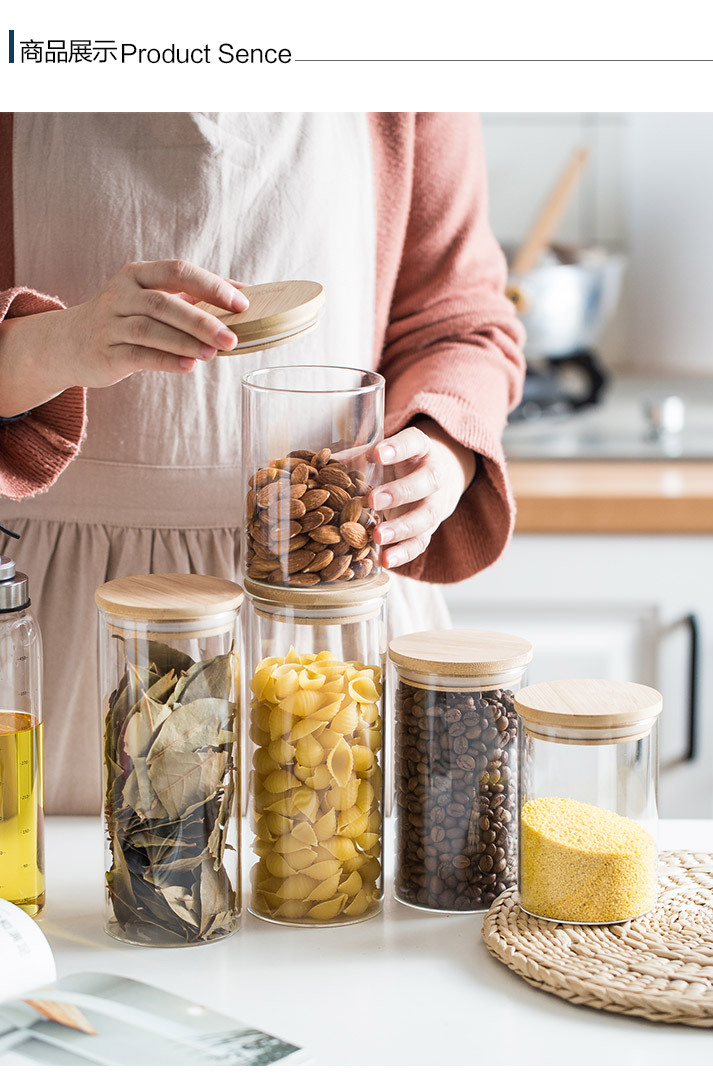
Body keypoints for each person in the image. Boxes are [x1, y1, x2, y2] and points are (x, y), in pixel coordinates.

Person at [0, 112, 525, 813]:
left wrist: (442, 453)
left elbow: (460, 321)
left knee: (346, 892)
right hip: (59, 625)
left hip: (331, 603)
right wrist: (56, 343)